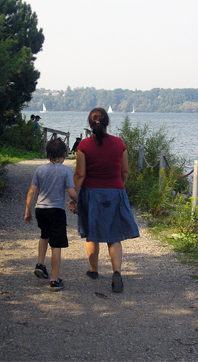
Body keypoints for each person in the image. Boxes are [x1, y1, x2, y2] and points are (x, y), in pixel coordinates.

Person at [69, 107, 139, 293]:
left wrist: (74, 197)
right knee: (114, 235)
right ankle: (116, 272)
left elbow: (79, 174)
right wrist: (119, 186)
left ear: (90, 124)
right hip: (115, 192)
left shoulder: (83, 146)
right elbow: (124, 171)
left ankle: (94, 270)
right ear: (107, 122)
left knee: (92, 232)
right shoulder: (119, 143)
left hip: (91, 193)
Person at [24, 138, 78, 291]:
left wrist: (27, 212)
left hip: (40, 209)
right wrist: (78, 202)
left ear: (47, 154)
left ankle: (40, 263)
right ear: (64, 154)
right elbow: (71, 192)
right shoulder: (66, 170)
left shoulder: (39, 170)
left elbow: (31, 191)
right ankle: (54, 280)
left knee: (44, 235)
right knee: (56, 244)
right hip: (56, 210)